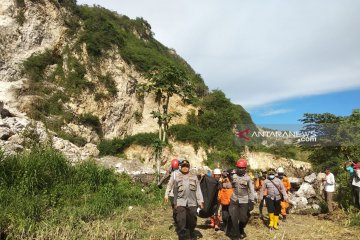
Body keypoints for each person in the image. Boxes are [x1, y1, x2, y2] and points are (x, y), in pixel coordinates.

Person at [173, 160, 204, 240]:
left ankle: (191, 232)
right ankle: (182, 237)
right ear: (181, 167)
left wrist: (200, 201)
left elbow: (198, 190)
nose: (185, 168)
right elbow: (175, 191)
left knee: (192, 221)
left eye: (186, 166)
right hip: (180, 203)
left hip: (192, 203)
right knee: (180, 221)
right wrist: (175, 202)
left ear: (189, 167)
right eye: (183, 166)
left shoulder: (194, 178)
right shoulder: (177, 178)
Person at [226, 159, 255, 239]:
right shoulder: (234, 176)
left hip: (244, 200)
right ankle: (236, 234)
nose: (241, 169)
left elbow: (252, 190)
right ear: (237, 167)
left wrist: (251, 201)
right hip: (234, 199)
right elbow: (231, 184)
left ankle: (241, 228)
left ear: (245, 168)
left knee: (243, 218)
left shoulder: (248, 178)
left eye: (242, 168)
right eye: (239, 167)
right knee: (233, 217)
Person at [164, 159, 180, 224]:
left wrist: (166, 194)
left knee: (175, 209)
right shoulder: (183, 172)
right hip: (180, 194)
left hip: (173, 195)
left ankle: (177, 220)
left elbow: (169, 185)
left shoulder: (173, 174)